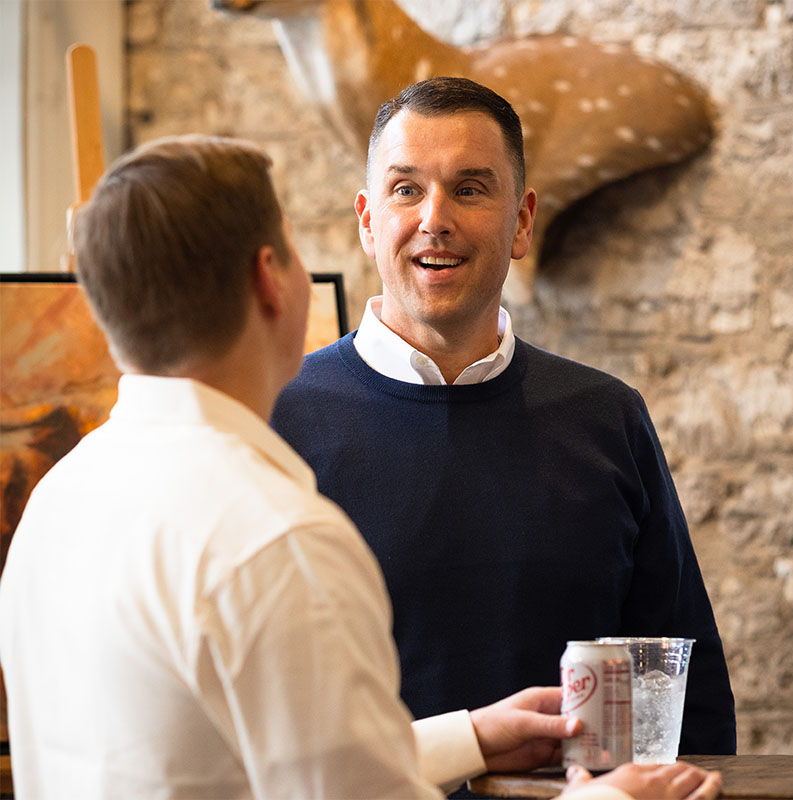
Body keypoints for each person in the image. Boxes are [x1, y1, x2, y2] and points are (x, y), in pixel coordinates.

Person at [0, 135, 721, 800]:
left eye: (472, 189)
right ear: (270, 280)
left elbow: (241, 759)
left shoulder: (56, 500)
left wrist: (464, 738)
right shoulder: (275, 535)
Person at [270, 77, 738, 757]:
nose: (435, 218)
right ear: (369, 222)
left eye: (469, 188)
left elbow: (686, 698)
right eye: (407, 189)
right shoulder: (280, 422)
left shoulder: (608, 419)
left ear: (521, 221)